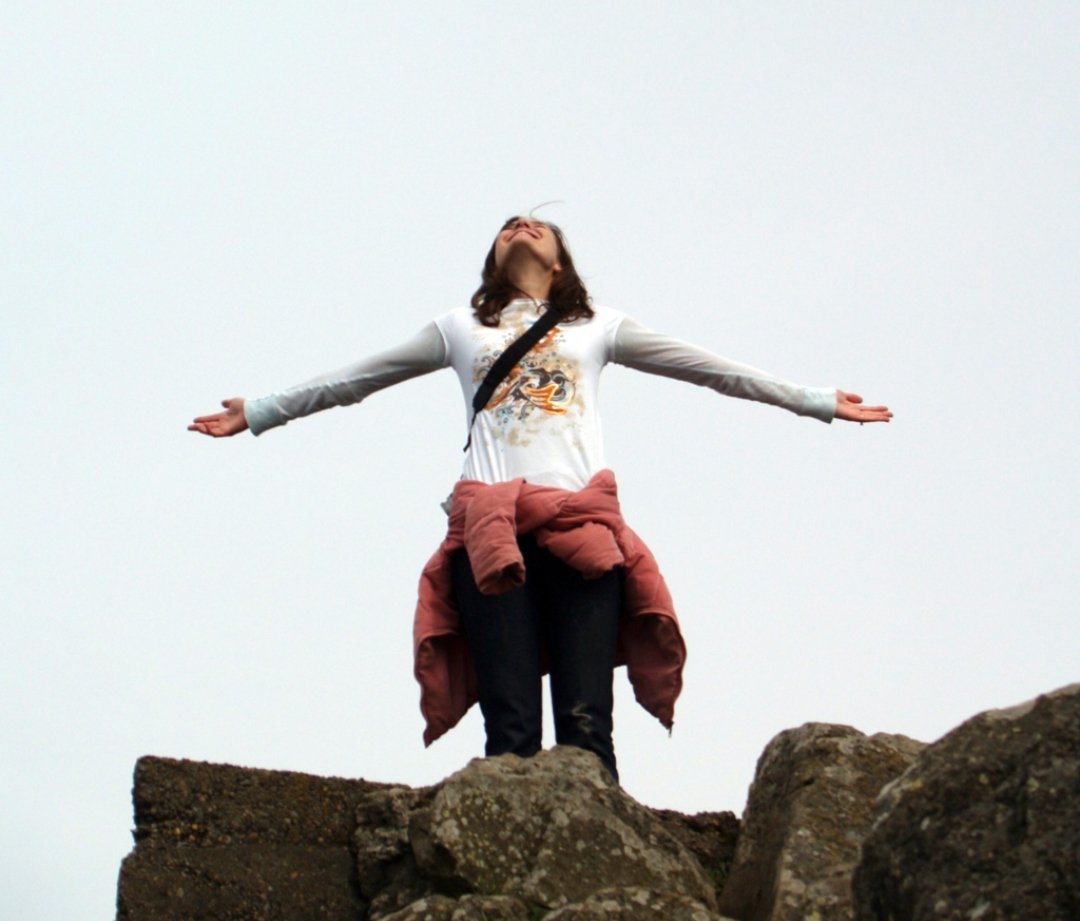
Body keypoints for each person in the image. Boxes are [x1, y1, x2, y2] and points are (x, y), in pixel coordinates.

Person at [190, 215, 891, 781]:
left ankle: (595, 866)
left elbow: (711, 370)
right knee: (511, 723)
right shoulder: (460, 330)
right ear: (495, 260)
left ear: (560, 262)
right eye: (506, 225)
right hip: (491, 530)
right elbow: (355, 380)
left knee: (587, 721)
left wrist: (817, 402)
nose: (520, 224)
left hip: (581, 529)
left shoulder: (598, 327)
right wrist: (259, 412)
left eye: (537, 224)